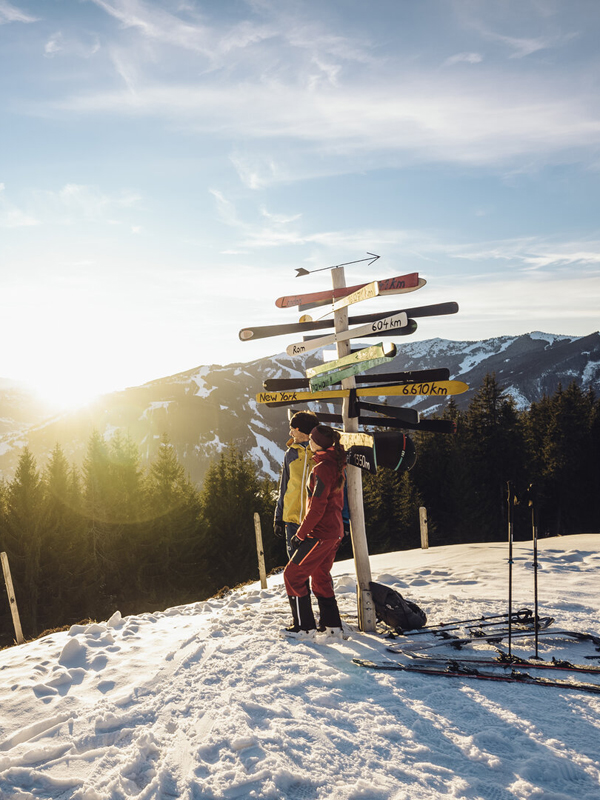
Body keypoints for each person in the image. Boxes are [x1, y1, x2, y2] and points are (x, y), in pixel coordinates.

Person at [283, 424, 346, 638]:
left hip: (321, 533)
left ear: (318, 444)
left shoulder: (321, 469)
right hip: (334, 531)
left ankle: (304, 628)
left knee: (292, 575)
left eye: (311, 438)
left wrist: (300, 535)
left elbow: (317, 507)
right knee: (320, 576)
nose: (309, 441)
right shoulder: (335, 464)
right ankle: (331, 626)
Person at [274, 411, 319, 558]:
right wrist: (278, 518)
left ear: (300, 430)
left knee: (316, 566)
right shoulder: (290, 454)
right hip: (291, 520)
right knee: (295, 567)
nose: (290, 432)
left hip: (314, 521)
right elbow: (284, 487)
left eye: (292, 428)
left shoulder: (319, 454)